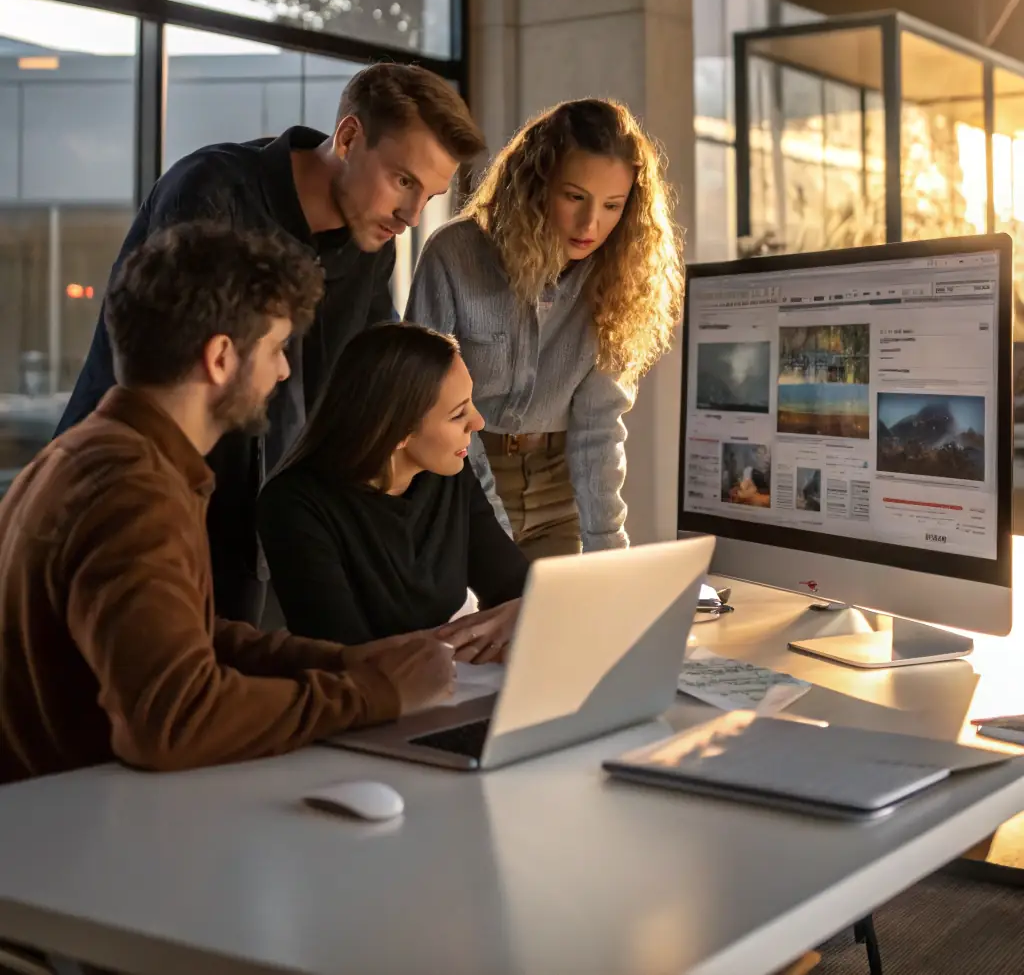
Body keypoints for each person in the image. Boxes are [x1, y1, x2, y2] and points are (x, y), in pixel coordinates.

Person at [0, 222, 455, 786]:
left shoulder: (90, 455)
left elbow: (183, 636)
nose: (284, 370)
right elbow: (174, 719)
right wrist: (376, 695)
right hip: (77, 842)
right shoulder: (133, 489)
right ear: (220, 358)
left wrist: (341, 662)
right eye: (275, 348)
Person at [56, 62, 485, 623]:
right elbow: (174, 374)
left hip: (264, 522)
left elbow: (372, 384)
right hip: (142, 499)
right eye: (403, 181)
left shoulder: (372, 243)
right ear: (349, 138)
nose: (410, 215)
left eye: (428, 196)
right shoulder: (211, 191)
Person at [406, 98, 683, 559]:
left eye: (613, 206)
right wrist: (492, 533)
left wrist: (610, 553)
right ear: (535, 185)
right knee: (482, 627)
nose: (590, 224)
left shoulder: (616, 279)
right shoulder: (453, 254)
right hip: (460, 476)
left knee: (566, 624)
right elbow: (427, 408)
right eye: (574, 196)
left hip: (559, 491)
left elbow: (598, 426)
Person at [257, 323, 528, 663]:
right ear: (398, 431)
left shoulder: (445, 471)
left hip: (446, 685)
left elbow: (515, 587)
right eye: (458, 414)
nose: (478, 422)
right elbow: (341, 653)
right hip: (366, 704)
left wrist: (520, 611)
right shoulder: (294, 506)